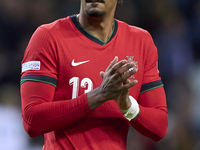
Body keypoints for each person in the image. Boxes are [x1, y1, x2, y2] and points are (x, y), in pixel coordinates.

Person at [20, 0, 168, 149]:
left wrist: (127, 107)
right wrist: (99, 95)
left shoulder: (141, 42)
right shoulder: (48, 37)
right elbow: (31, 121)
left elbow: (159, 127)